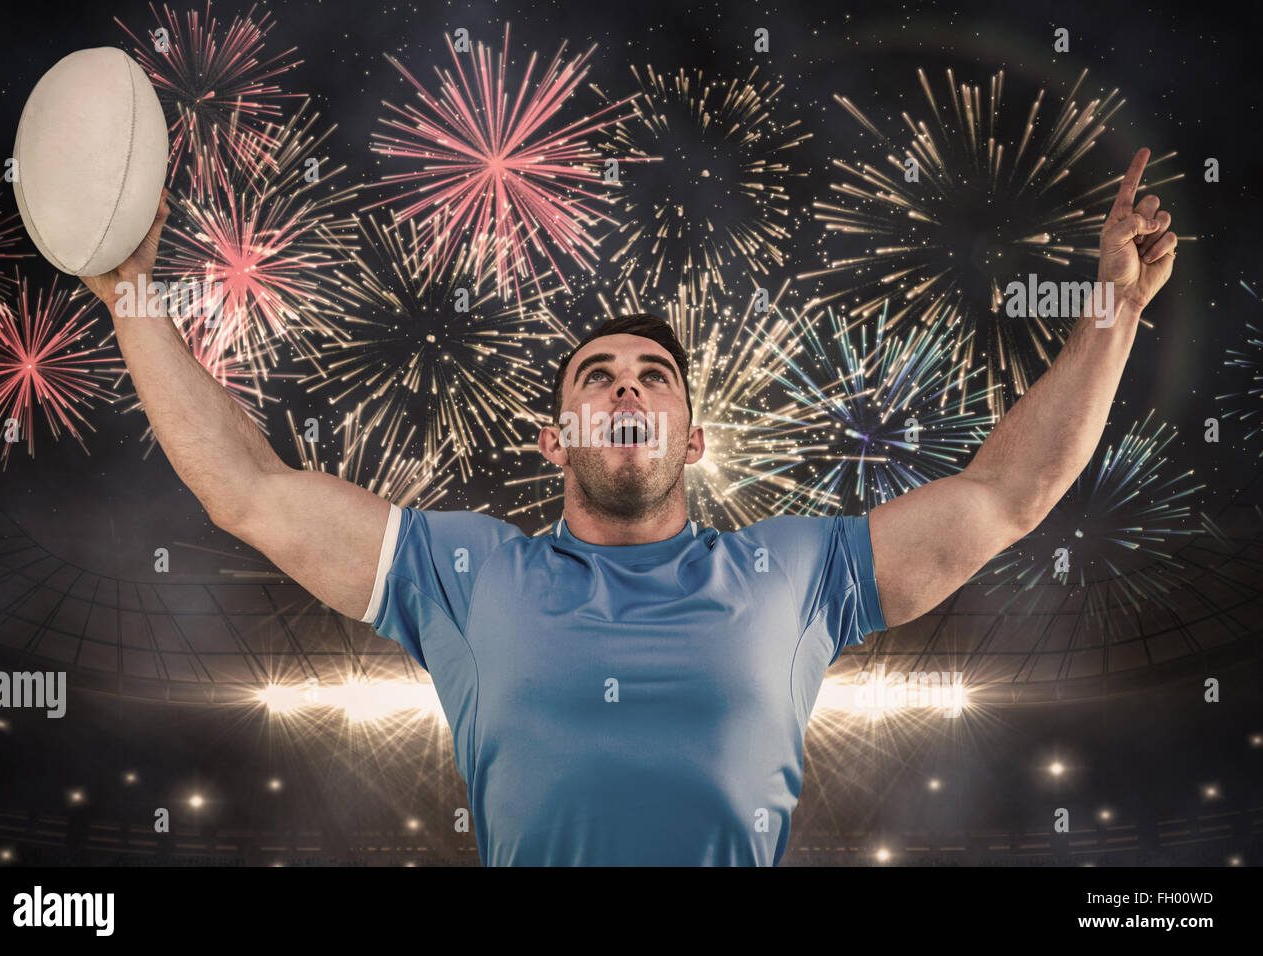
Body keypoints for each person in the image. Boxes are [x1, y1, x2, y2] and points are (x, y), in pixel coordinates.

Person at [81, 148, 1177, 865]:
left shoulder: (796, 574)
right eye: (595, 374)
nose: (623, 384)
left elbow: (1004, 496)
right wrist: (134, 298)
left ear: (692, 439)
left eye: (652, 375)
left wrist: (1112, 316)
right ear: (554, 439)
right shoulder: (462, 574)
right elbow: (252, 493)